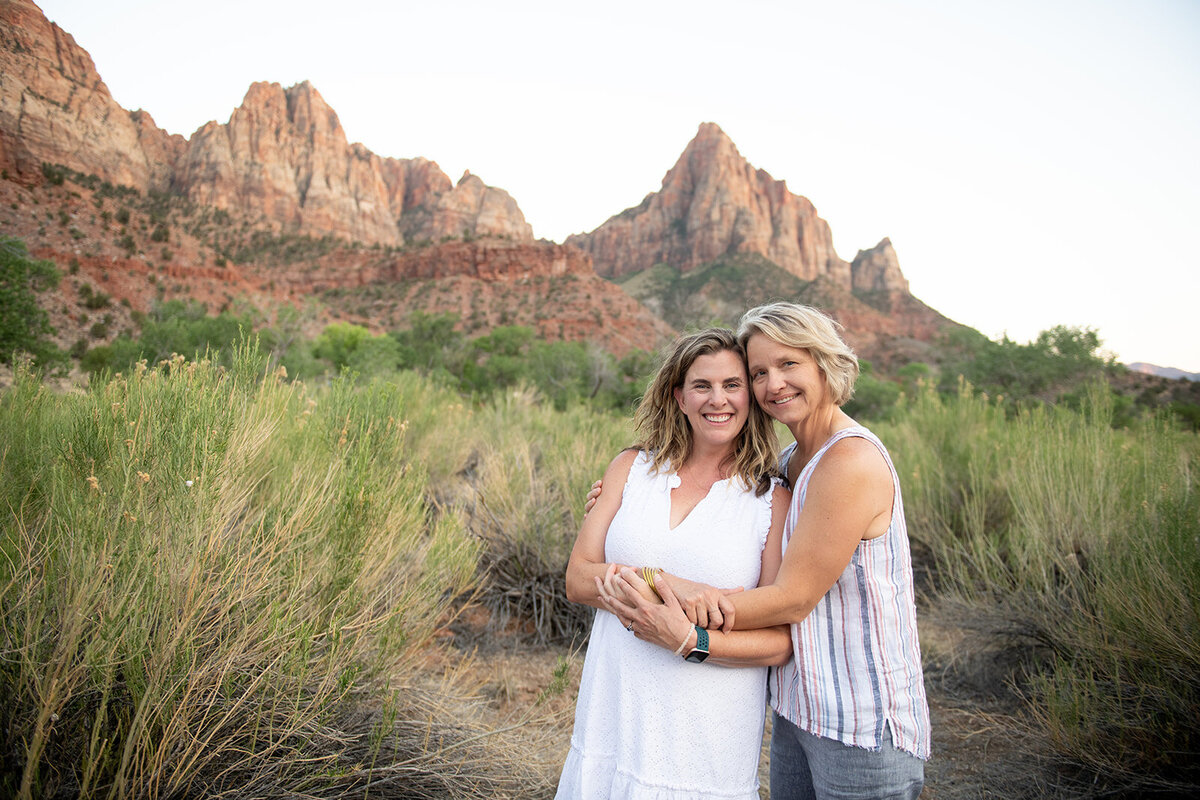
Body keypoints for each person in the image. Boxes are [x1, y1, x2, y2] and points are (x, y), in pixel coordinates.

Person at [597, 303, 931, 800]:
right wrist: (623, 502)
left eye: (789, 365)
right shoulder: (792, 462)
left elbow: (791, 599)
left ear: (823, 364)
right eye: (759, 372)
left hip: (861, 716)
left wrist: (677, 606)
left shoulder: (850, 461)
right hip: (801, 708)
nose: (773, 384)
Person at [556, 327, 792, 800]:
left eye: (732, 385)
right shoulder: (630, 468)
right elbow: (579, 580)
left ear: (751, 397)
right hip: (613, 721)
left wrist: (689, 639)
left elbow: (777, 644)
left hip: (705, 741)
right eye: (701, 386)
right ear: (679, 396)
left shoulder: (771, 501)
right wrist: (669, 584)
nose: (717, 399)